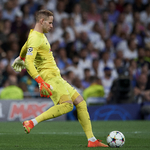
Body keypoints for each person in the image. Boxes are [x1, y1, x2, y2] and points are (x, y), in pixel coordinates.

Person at [11, 10, 108, 147]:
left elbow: (26, 46)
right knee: (67, 105)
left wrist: (20, 57)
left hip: (57, 77)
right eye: (50, 23)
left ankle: (91, 140)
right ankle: (32, 122)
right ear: (41, 21)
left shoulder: (36, 34)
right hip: (50, 77)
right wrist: (40, 81)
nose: (52, 26)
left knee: (80, 103)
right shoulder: (36, 38)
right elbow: (29, 62)